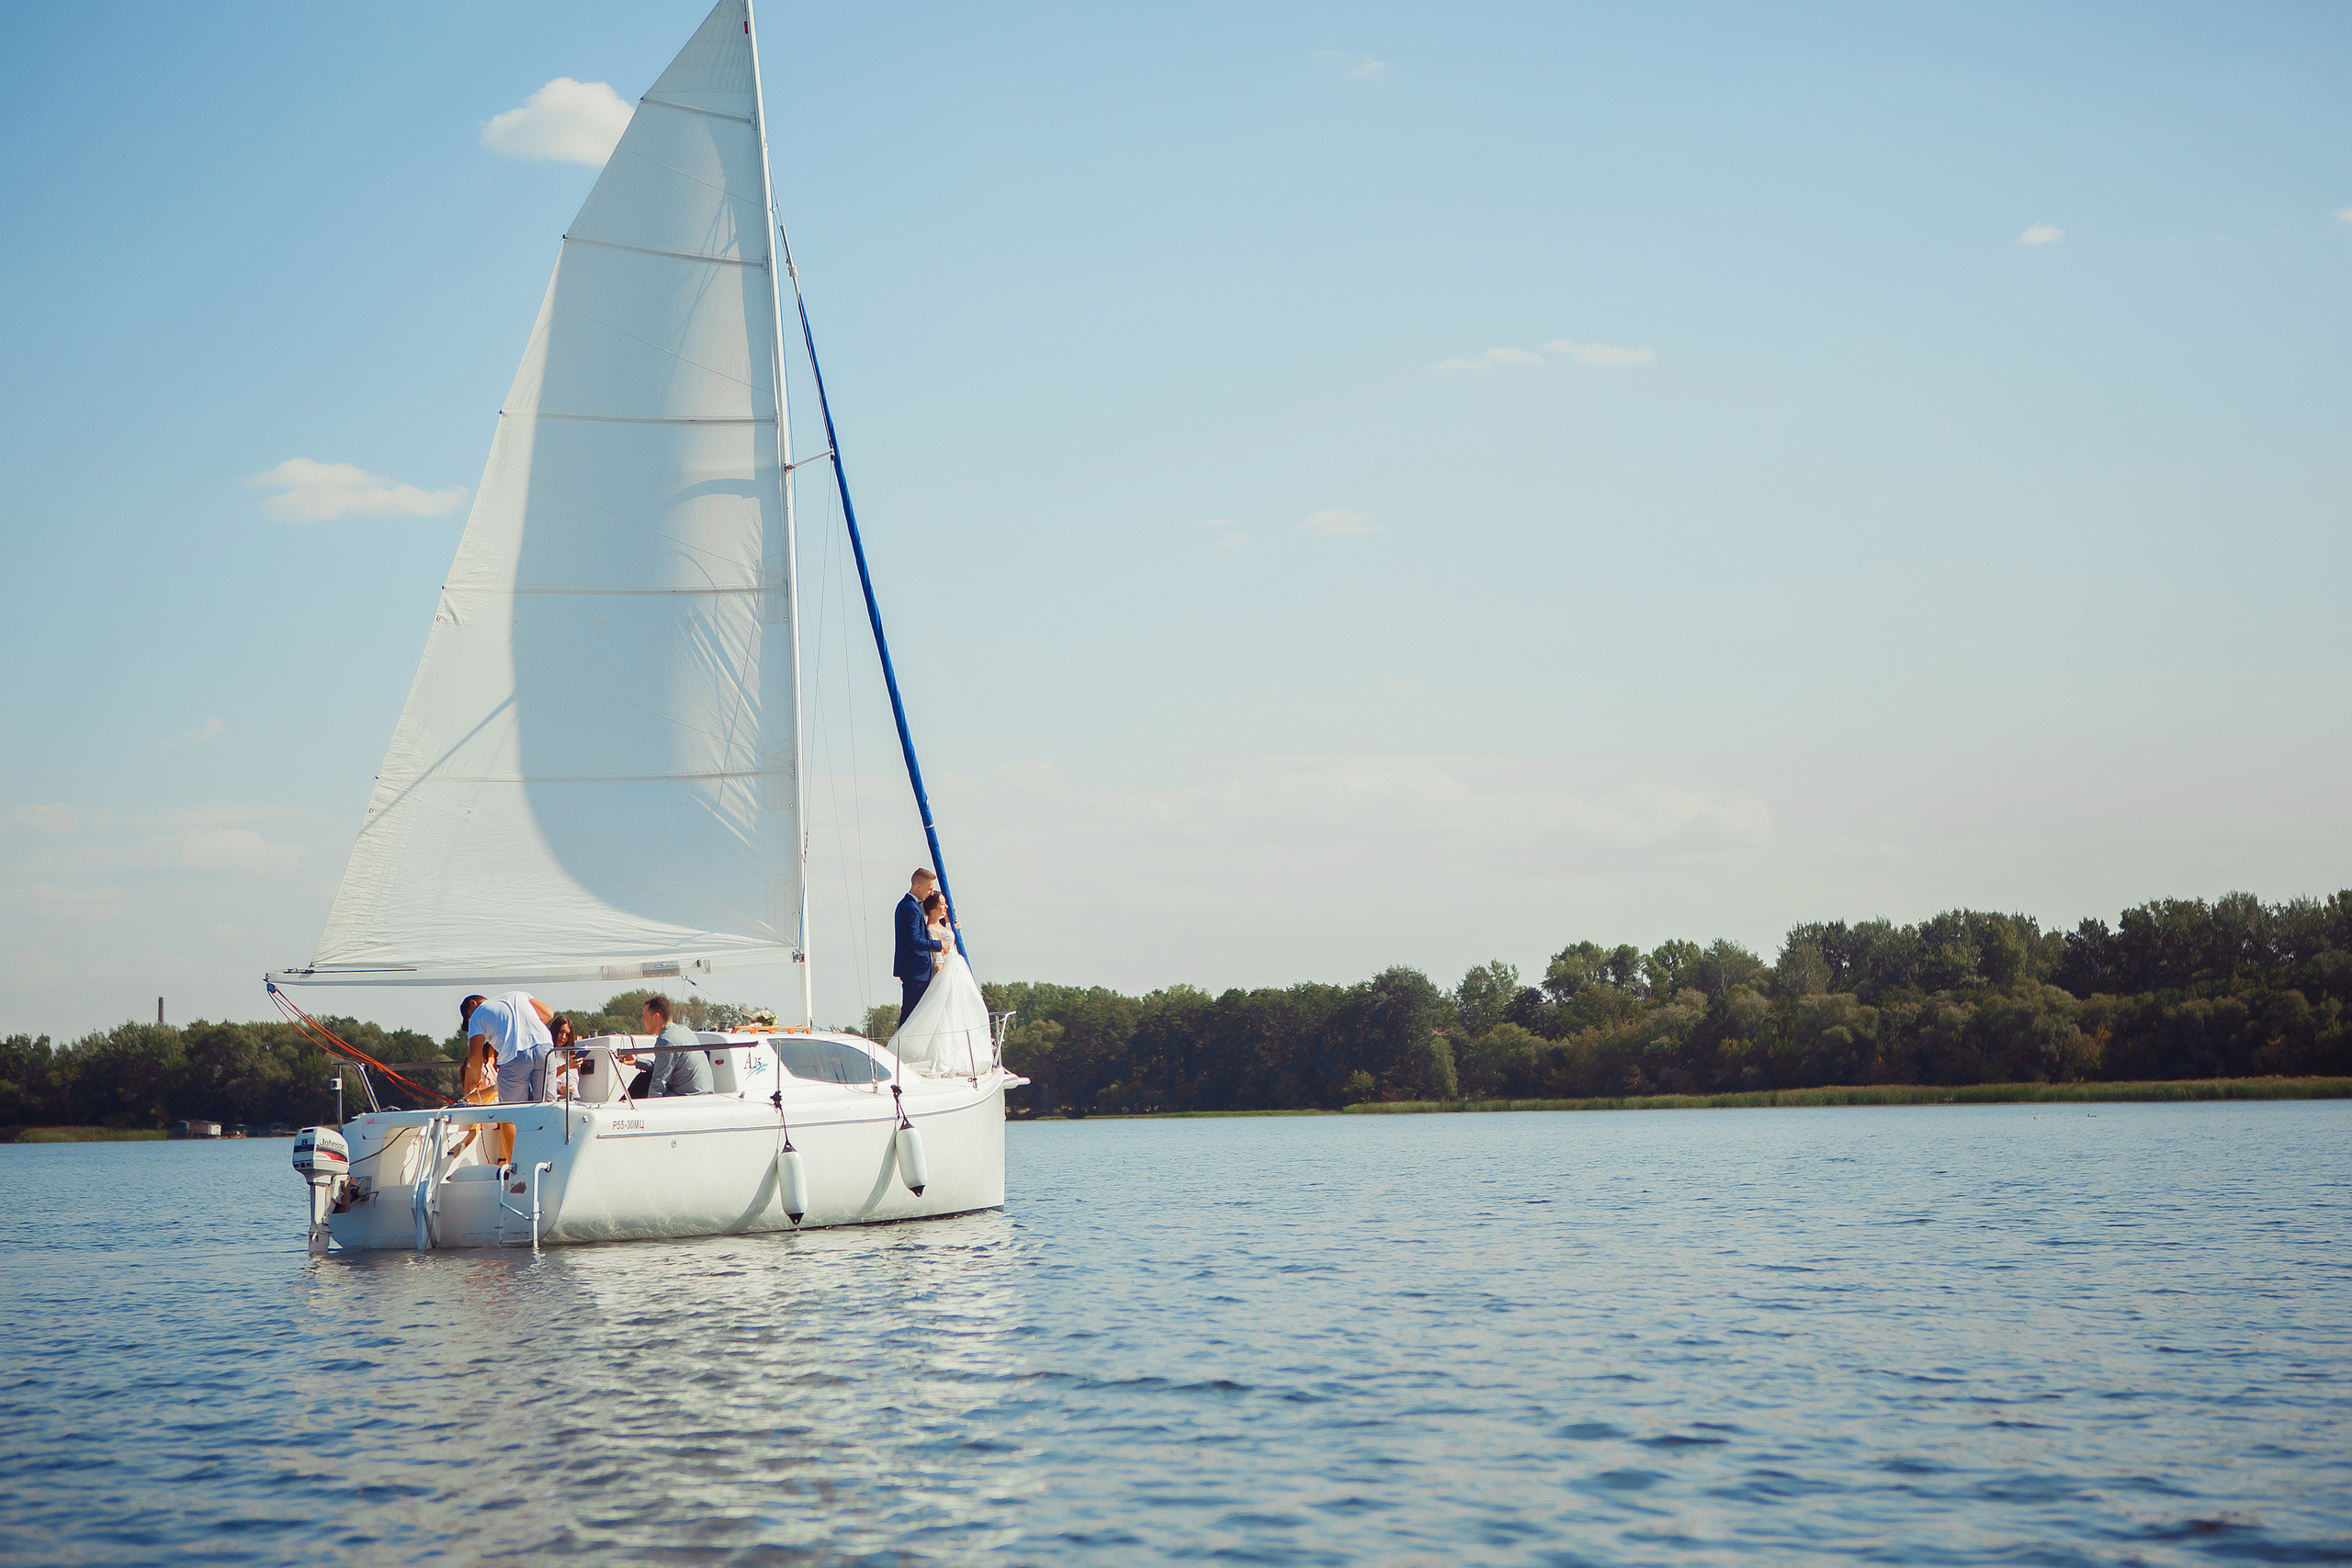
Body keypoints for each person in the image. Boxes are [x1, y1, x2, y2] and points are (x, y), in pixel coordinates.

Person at [460, 991, 555, 1107]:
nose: (470, 1020)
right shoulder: (519, 995)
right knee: (548, 1105)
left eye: (468, 1017)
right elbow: (549, 1014)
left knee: (512, 1111)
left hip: (514, 1055)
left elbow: (475, 1055)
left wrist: (476, 1079)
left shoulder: (477, 1014)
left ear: (473, 1003)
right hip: (546, 1049)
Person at [618, 995, 712, 1098]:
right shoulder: (684, 1031)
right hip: (705, 1094)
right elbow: (662, 1068)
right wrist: (637, 1062)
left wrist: (652, 1108)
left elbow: (658, 1082)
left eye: (644, 1016)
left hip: (688, 1097)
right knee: (645, 1077)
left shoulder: (666, 1041)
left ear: (656, 1017)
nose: (642, 1021)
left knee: (643, 1081)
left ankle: (618, 1111)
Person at [894, 868, 945, 1023]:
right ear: (918, 886)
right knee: (914, 1018)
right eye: (929, 889)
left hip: (917, 972)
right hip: (915, 972)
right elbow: (913, 940)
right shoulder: (910, 908)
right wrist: (938, 944)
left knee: (913, 1016)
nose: (931, 893)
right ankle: (903, 1046)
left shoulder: (914, 907)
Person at [924, 891, 953, 976]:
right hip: (947, 969)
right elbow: (937, 959)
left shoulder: (941, 925)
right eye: (942, 904)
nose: (946, 907)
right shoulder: (932, 929)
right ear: (933, 908)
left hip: (954, 964)